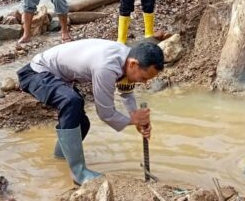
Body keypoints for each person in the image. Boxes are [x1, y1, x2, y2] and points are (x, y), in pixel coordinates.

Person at [17, 40, 163, 185]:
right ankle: (78, 172)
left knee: (82, 124)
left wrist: (135, 116)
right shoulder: (107, 67)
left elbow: (126, 91)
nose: (144, 83)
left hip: (58, 77)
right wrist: (133, 120)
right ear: (133, 64)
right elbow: (105, 113)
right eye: (143, 78)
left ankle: (60, 158)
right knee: (71, 102)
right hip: (35, 73)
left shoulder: (127, 58)